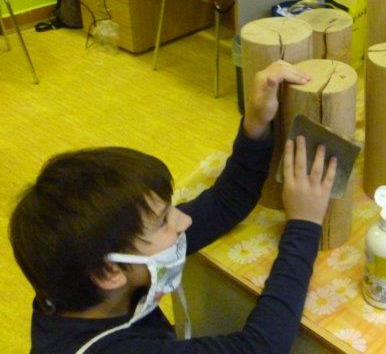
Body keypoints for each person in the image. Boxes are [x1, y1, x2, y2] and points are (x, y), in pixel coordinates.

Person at [10, 60, 337, 353]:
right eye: (163, 221)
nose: (183, 221)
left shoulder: (79, 284)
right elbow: (262, 347)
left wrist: (255, 125)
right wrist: (305, 225)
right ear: (109, 272)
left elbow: (225, 202)